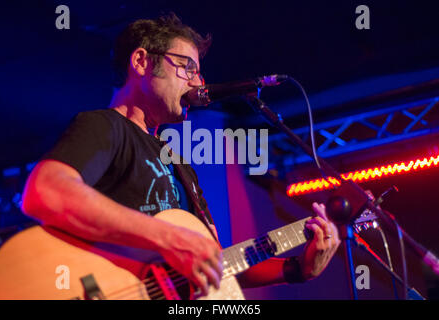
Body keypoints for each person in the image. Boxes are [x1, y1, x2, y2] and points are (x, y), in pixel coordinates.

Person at [21, 13, 340, 299]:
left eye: (199, 73)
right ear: (142, 62)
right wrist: (167, 236)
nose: (198, 82)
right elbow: (44, 191)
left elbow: (215, 261)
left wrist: (297, 269)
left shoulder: (180, 166)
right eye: (187, 67)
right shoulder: (105, 128)